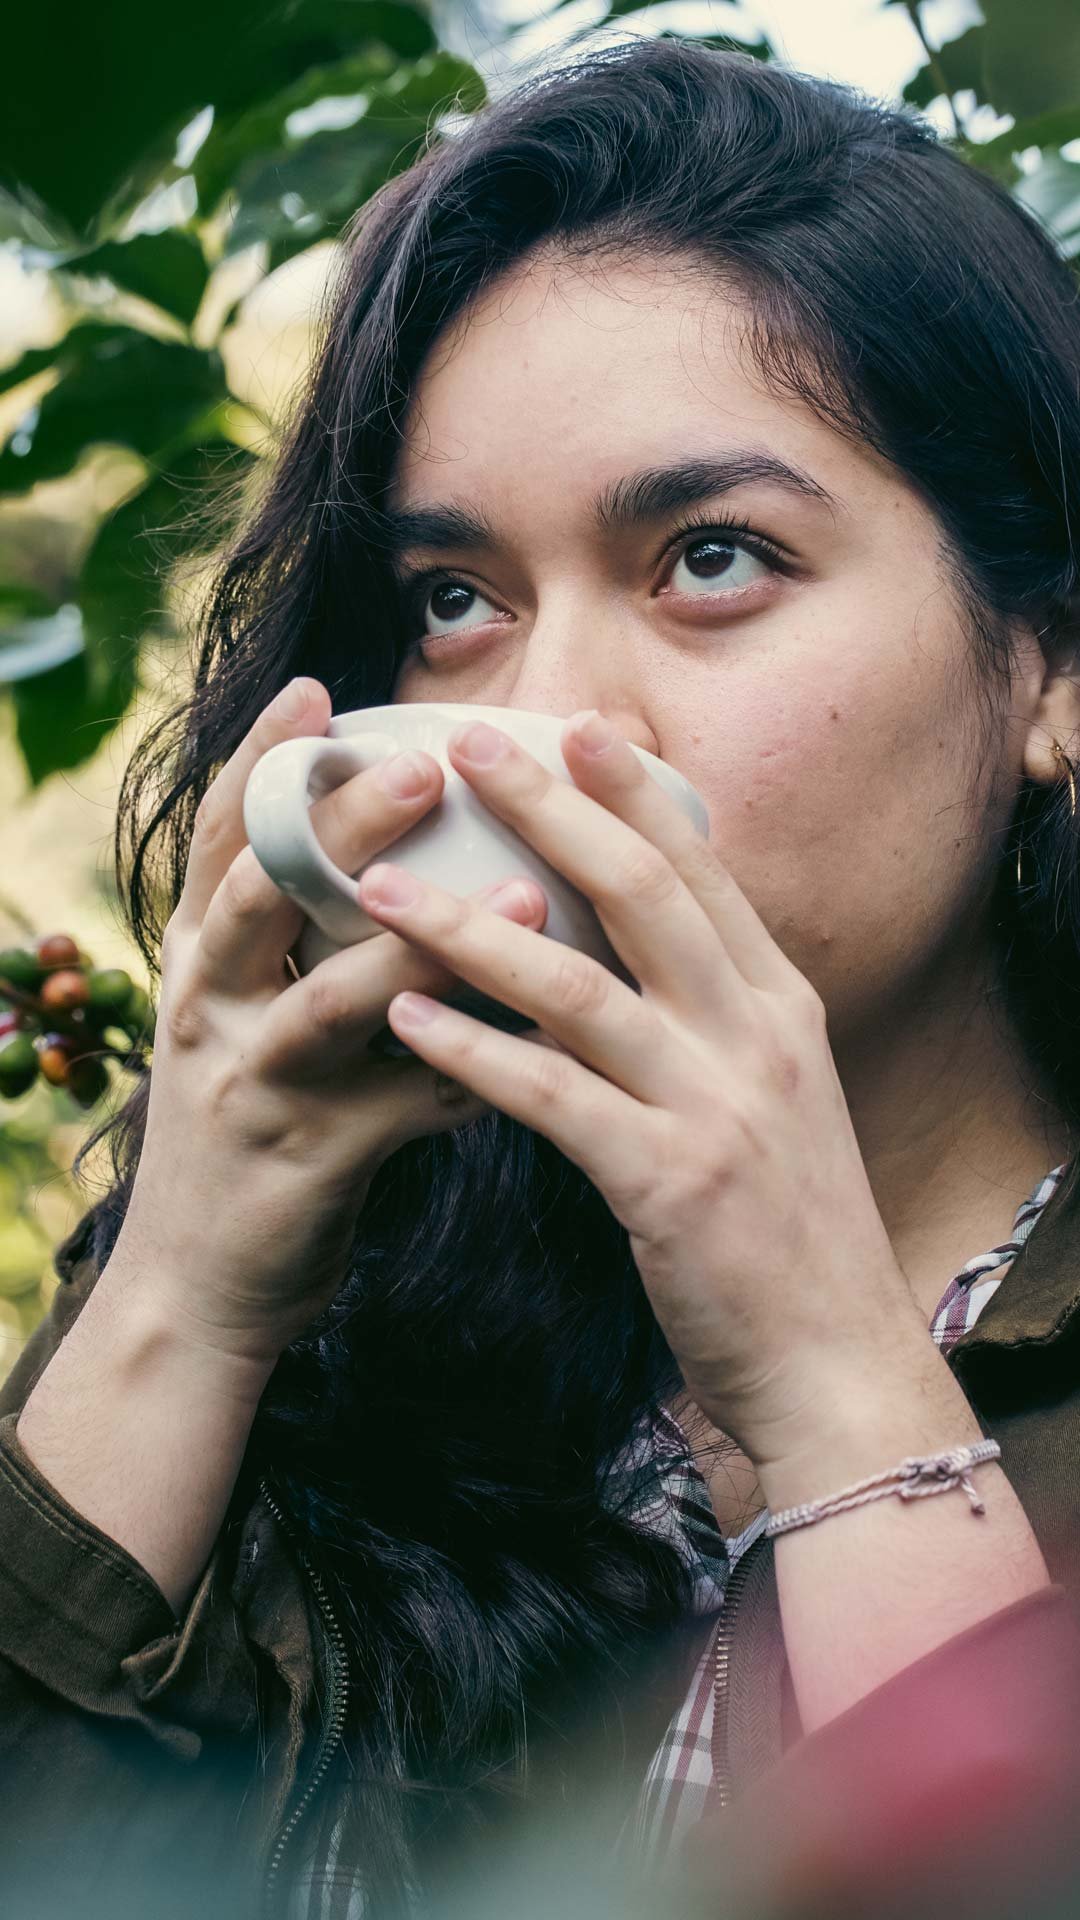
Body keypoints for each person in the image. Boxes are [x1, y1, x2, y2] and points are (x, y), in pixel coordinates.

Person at [4, 33, 1080, 1920]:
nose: (539, 718)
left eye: (714, 557)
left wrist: (842, 1386)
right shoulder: (335, 1322)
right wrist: (180, 1292)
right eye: (456, 602)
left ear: (1052, 669)